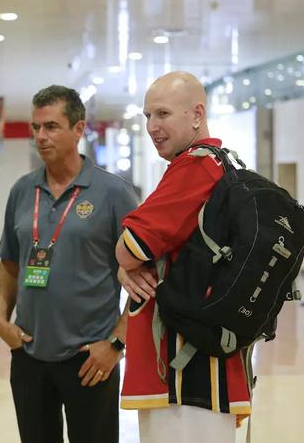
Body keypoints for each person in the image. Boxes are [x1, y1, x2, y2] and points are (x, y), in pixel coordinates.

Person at [0, 85, 138, 443]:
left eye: (51, 126)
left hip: (90, 358)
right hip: (29, 354)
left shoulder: (112, 193)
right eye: (36, 127)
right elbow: (9, 263)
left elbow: (146, 277)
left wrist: (116, 344)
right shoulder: (22, 191)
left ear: (78, 129)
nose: (41, 136)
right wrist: (1, 320)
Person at [115, 71, 251, 443]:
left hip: (185, 370)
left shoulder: (195, 167)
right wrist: (127, 267)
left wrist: (125, 262)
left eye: (163, 114)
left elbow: (132, 246)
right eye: (147, 116)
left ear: (197, 114)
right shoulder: (220, 163)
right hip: (198, 362)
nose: (152, 126)